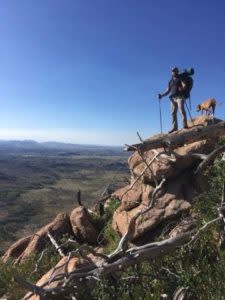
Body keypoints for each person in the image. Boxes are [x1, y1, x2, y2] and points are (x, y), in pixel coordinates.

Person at [158, 67, 188, 133]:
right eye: (173, 71)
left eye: (175, 71)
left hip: (180, 97)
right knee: (173, 113)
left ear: (177, 71)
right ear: (171, 72)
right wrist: (161, 95)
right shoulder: (170, 81)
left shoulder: (180, 78)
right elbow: (168, 90)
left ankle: (185, 126)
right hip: (173, 98)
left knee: (181, 110)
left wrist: (182, 88)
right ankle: (174, 128)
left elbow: (184, 85)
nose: (173, 72)